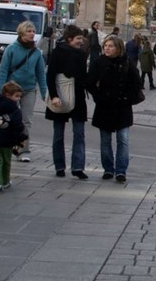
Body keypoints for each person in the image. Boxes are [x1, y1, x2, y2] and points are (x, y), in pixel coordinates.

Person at [87, 35, 141, 182]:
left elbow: (136, 83)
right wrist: (98, 97)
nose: (107, 48)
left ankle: (121, 170)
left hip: (122, 107)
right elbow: (90, 82)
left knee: (122, 139)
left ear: (118, 48)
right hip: (104, 106)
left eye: (110, 46)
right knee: (105, 140)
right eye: (105, 46)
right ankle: (108, 169)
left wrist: (127, 98)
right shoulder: (99, 62)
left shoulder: (127, 62)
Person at [0, 20, 47, 163]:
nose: (32, 34)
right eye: (29, 31)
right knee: (9, 119)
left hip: (29, 89)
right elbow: (3, 70)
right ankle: (7, 146)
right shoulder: (11, 49)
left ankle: (23, 150)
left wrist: (44, 93)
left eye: (33, 31)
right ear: (22, 33)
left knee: (26, 121)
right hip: (11, 90)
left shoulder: (36, 52)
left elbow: (41, 74)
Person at [45, 25, 89, 179]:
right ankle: (59, 166)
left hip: (78, 97)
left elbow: (84, 77)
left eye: (81, 39)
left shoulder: (82, 54)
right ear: (69, 39)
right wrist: (54, 96)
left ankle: (77, 167)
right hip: (61, 96)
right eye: (78, 39)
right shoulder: (58, 52)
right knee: (58, 134)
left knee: (79, 133)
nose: (80, 42)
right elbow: (50, 76)